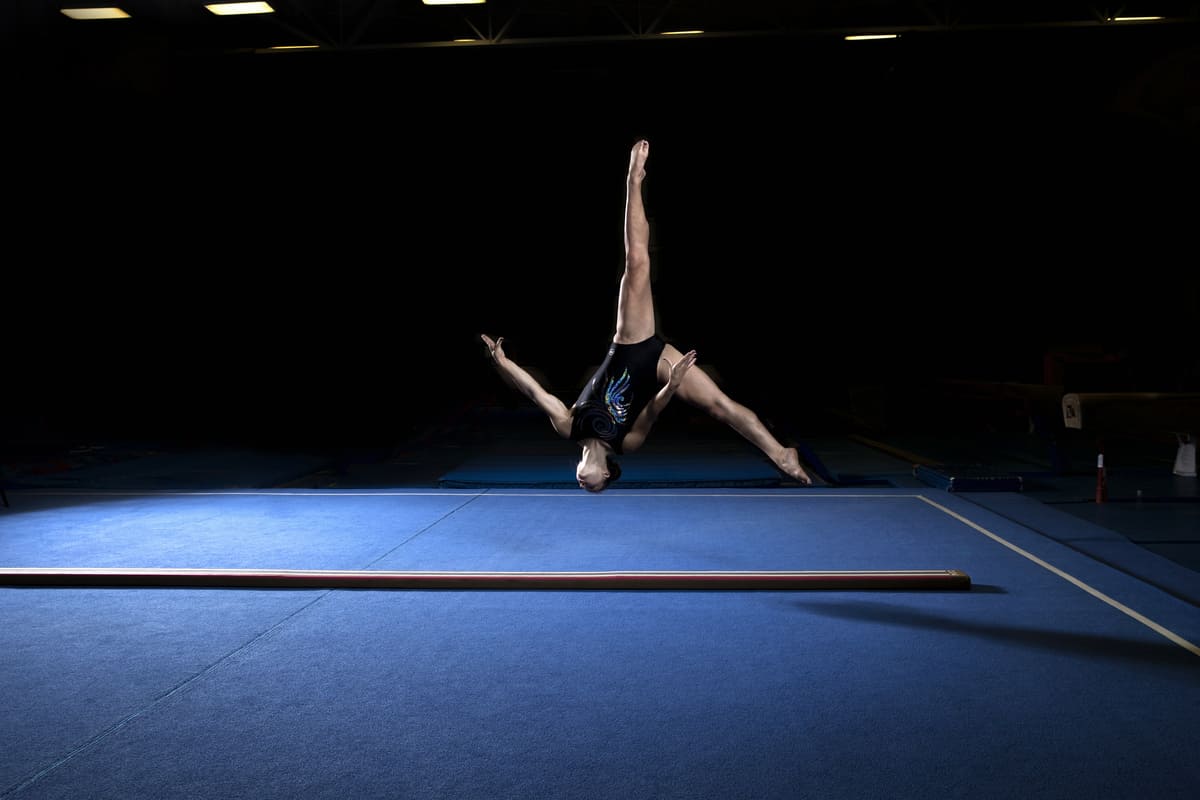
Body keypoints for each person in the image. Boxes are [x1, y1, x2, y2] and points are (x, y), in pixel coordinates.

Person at [480, 138, 812, 492]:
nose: (583, 484)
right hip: (658, 368)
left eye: (581, 486)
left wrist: (502, 363)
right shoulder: (627, 444)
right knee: (719, 405)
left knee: (636, 263)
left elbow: (535, 393)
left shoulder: (568, 427)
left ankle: (633, 180)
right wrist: (671, 384)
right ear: (606, 475)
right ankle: (781, 454)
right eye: (592, 487)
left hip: (629, 343)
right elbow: (652, 411)